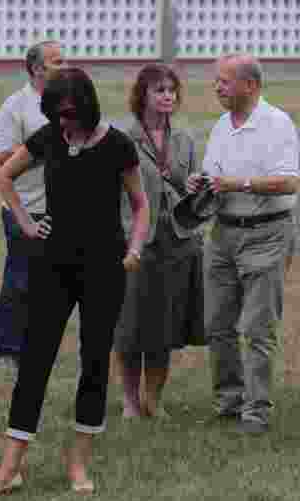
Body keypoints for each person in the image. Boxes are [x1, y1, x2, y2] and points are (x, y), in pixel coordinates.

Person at [0, 67, 150, 500]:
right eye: (56, 113)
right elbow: (3, 176)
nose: (64, 121)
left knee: (94, 362)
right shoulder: (49, 137)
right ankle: (9, 468)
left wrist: (134, 248)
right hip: (52, 264)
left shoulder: (117, 145)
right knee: (34, 360)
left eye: (71, 113)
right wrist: (26, 224)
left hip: (104, 267)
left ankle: (78, 463)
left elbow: (140, 203)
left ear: (88, 106)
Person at [186, 54, 299, 435]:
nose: (216, 87)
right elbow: (216, 175)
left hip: (266, 234)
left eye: (224, 81)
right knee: (217, 324)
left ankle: (256, 411)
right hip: (222, 234)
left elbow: (289, 182)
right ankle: (228, 402)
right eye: (216, 80)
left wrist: (239, 184)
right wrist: (201, 182)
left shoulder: (277, 124)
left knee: (257, 327)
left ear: (250, 85)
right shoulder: (222, 125)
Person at [113, 64, 206, 419]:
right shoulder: (123, 137)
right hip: (135, 240)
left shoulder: (184, 139)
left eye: (172, 90)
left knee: (164, 324)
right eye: (159, 90)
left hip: (177, 241)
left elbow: (189, 191)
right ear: (143, 95)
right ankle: (130, 401)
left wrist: (193, 185)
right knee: (130, 323)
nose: (168, 96)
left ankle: (154, 399)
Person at [0, 40, 64, 374]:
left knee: (53, 285)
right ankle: (7, 351)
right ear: (37, 69)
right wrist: (43, 152)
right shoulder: (15, 107)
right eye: (57, 62)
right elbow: (4, 159)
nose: (64, 66)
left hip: (61, 209)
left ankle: (38, 348)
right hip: (24, 207)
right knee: (20, 280)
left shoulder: (68, 102)